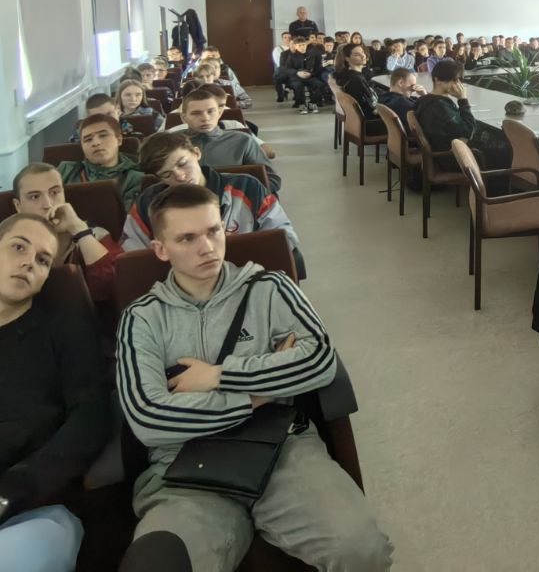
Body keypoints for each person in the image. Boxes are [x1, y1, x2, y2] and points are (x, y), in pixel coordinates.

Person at [115, 185, 392, 570]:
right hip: (183, 467)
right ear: (161, 249)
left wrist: (220, 375)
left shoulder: (269, 288)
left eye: (214, 231)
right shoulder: (142, 318)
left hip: (282, 446)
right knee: (157, 564)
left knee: (361, 548)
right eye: (187, 238)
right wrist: (256, 396)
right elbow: (149, 418)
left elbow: (320, 359)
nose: (207, 247)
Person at [0, 213, 112, 572]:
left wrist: (16, 487)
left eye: (43, 260)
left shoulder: (64, 330)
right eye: (19, 247)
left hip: (31, 507)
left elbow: (90, 417)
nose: (29, 263)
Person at [123, 135, 302, 276]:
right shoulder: (148, 204)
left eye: (183, 164)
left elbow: (284, 238)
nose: (180, 176)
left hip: (248, 277)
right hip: (185, 286)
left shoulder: (247, 188)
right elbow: (134, 256)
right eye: (166, 174)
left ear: (196, 153)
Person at [11, 163, 124, 304]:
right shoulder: (8, 243)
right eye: (34, 197)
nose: (48, 204)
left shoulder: (95, 235)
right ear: (18, 206)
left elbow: (117, 288)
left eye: (54, 192)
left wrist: (79, 230)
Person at [412, 58, 510, 170]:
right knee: (505, 148)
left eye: (459, 80)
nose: (458, 84)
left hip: (444, 152)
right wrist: (462, 99)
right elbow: (469, 131)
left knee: (494, 137)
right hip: (451, 158)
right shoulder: (440, 107)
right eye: (453, 80)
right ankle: (497, 180)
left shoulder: (425, 100)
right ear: (437, 80)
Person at [177, 90, 281, 193]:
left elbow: (271, 180)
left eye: (210, 111)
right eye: (196, 113)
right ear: (184, 117)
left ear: (219, 112)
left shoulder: (243, 140)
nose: (205, 118)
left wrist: (240, 195)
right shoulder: (173, 142)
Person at [58, 115, 147, 208]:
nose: (95, 143)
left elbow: (127, 215)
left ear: (119, 140)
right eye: (88, 139)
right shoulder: (66, 170)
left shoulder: (135, 178)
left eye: (103, 135)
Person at [335, 45, 385, 135]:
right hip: (370, 124)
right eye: (356, 54)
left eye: (362, 52)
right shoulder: (356, 79)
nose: (363, 56)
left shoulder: (348, 74)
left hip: (359, 122)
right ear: (347, 58)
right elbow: (371, 107)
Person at [69, 92, 145, 141]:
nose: (105, 120)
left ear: (118, 110)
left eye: (109, 114)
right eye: (98, 118)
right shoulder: (79, 139)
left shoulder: (134, 136)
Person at [281, 34, 324, 114]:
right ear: (295, 46)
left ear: (306, 45)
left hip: (310, 76)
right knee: (298, 86)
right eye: (299, 45)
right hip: (297, 78)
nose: (302, 47)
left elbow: (318, 67)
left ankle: (313, 103)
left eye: (303, 45)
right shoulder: (291, 56)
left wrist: (311, 74)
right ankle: (302, 104)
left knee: (319, 85)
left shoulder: (312, 55)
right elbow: (287, 69)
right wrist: (297, 73)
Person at [381, 67, 423, 134]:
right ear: (400, 83)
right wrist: (426, 96)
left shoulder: (384, 97)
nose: (413, 89)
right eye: (412, 86)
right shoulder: (401, 102)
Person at [271, 32, 293, 103]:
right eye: (285, 37)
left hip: (293, 68)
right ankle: (281, 94)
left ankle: (286, 90)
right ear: (282, 39)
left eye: (289, 37)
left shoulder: (295, 47)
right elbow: (278, 62)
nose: (287, 39)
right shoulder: (277, 49)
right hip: (282, 69)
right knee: (276, 76)